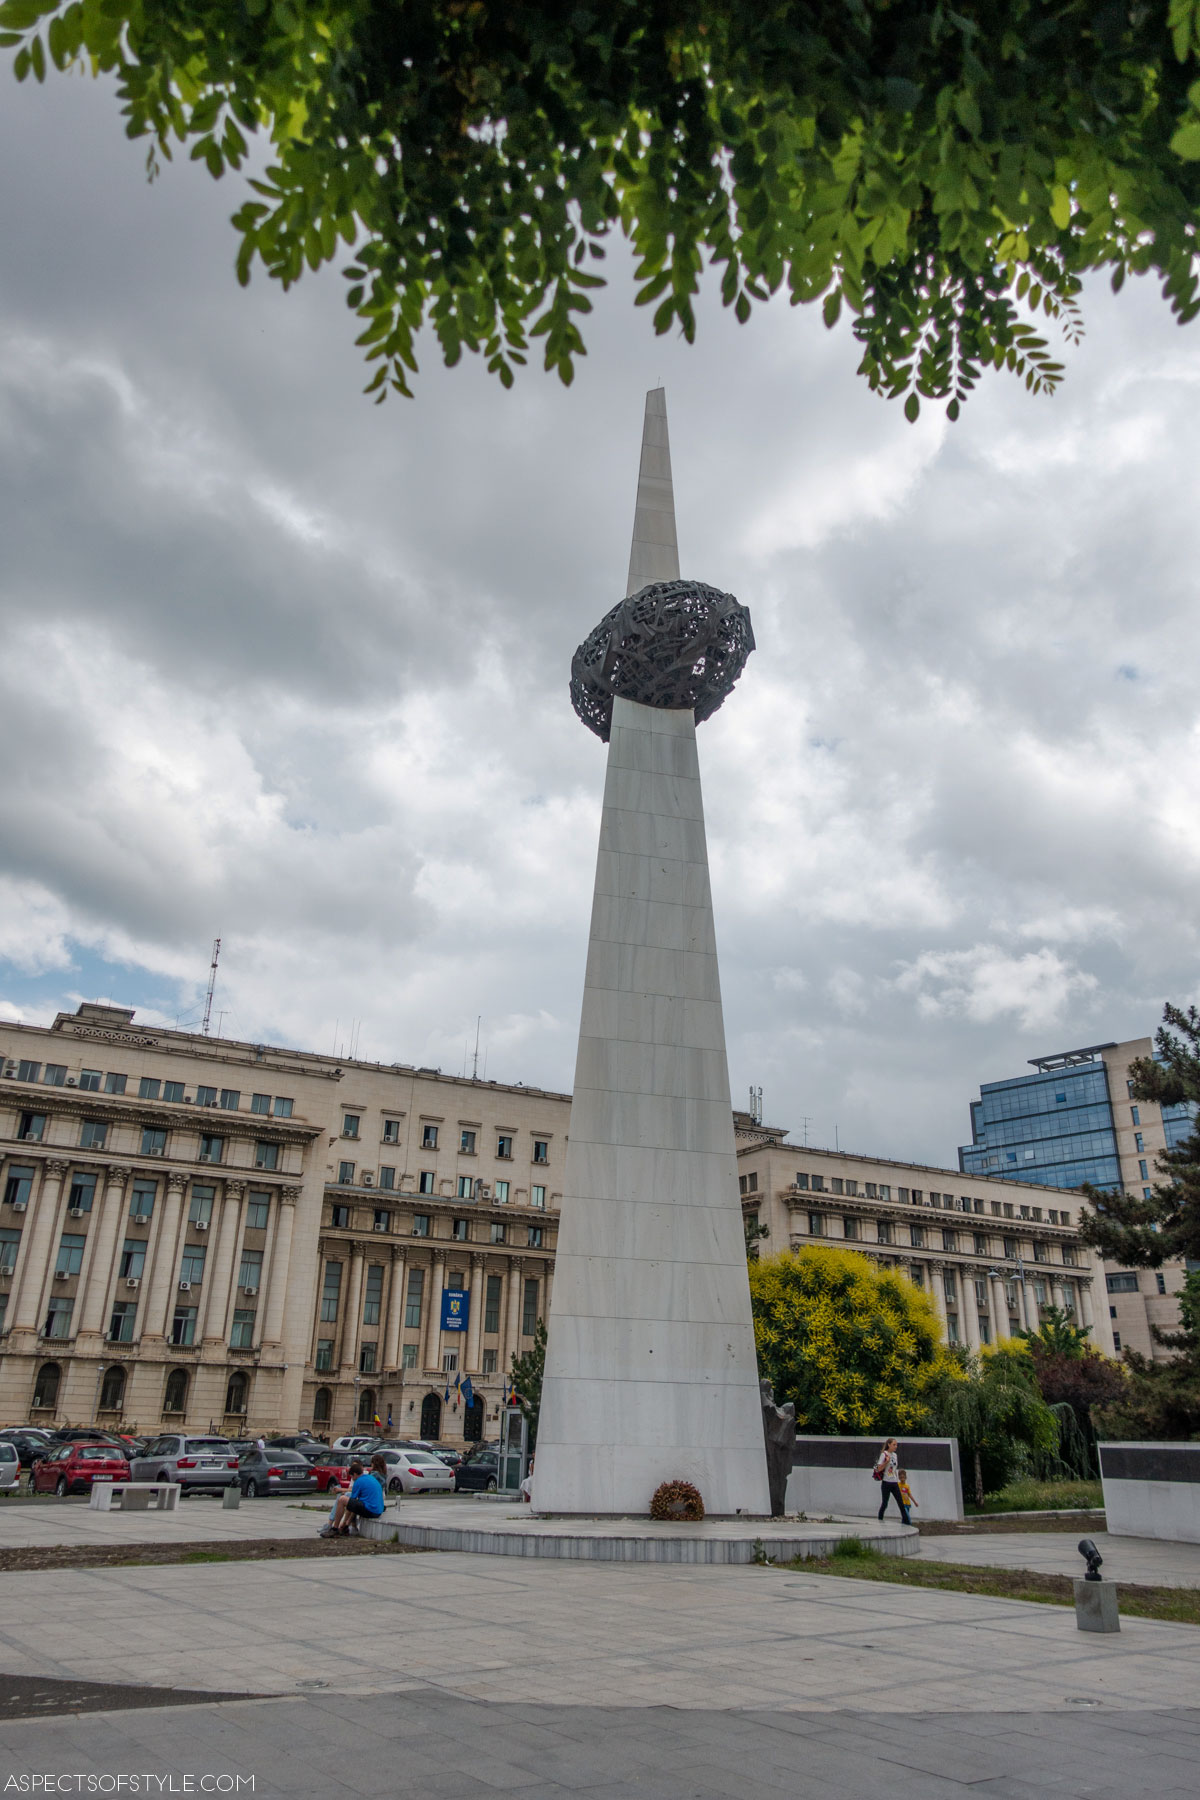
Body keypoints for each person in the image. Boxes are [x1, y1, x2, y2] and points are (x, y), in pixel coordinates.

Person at [321, 1457, 386, 1536]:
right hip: (378, 1511)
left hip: (371, 1510)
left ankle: (334, 1529)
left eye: (352, 1477)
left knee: (342, 1499)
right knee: (350, 1501)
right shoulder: (370, 1477)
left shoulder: (358, 1481)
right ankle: (346, 1527)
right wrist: (347, 1524)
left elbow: (351, 1506)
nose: (352, 1479)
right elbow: (355, 1505)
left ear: (355, 1474)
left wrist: (344, 1522)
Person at [874, 1437, 910, 1524]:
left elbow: (894, 1468)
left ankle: (906, 1522)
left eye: (896, 1445)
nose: (895, 1446)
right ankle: (880, 1519)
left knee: (901, 1503)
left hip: (894, 1482)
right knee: (885, 1503)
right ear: (889, 1445)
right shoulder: (884, 1454)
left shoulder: (895, 1455)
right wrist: (886, 1462)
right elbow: (879, 1468)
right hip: (886, 1482)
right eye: (894, 1445)